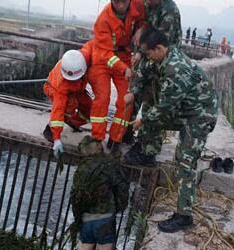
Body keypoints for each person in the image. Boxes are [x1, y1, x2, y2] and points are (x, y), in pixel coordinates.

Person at [123, 28, 218, 232]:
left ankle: (184, 215)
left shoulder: (176, 70)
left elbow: (164, 109)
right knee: (150, 109)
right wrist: (133, 92)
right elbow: (143, 71)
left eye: (148, 53)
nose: (147, 57)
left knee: (184, 162)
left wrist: (141, 121)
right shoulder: (159, 57)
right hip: (184, 108)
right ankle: (147, 154)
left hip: (200, 115)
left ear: (158, 48)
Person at [88, 0, 145, 150]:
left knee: (126, 100)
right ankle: (97, 137)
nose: (121, 5)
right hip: (103, 58)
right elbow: (105, 53)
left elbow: (145, 20)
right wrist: (123, 68)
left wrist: (141, 30)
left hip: (125, 55)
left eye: (124, 2)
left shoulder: (138, 5)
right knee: (102, 97)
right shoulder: (103, 19)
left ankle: (115, 139)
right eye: (117, 1)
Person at [125, 0, 182, 145]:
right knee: (134, 91)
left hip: (163, 58)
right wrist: (139, 53)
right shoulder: (146, 5)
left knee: (153, 99)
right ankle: (126, 131)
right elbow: (143, 34)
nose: (147, 2)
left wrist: (142, 55)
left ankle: (147, 148)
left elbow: (160, 44)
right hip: (148, 54)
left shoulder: (169, 10)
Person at [42, 41, 94, 157]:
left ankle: (73, 122)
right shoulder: (62, 85)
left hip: (78, 89)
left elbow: (95, 44)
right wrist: (56, 139)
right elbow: (57, 110)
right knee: (68, 106)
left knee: (90, 109)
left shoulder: (84, 56)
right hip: (51, 87)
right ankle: (51, 130)